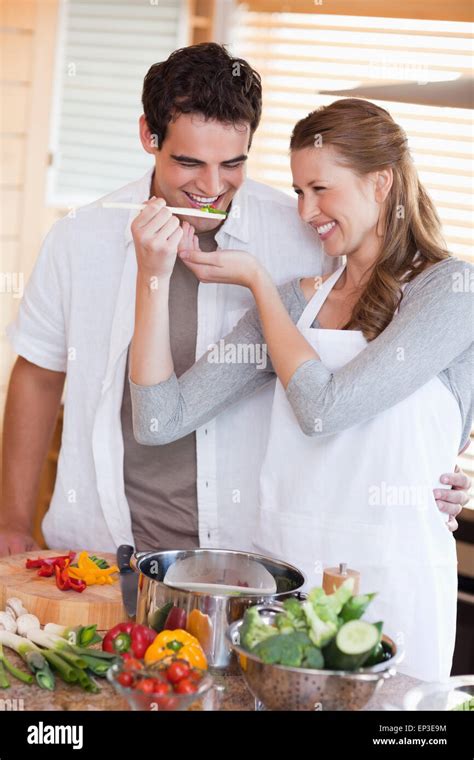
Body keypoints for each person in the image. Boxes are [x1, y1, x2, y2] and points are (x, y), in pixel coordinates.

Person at [129, 99, 473, 681]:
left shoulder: (452, 291)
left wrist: (258, 284)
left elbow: (324, 410)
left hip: (392, 586)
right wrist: (153, 276)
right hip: (285, 585)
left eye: (320, 189)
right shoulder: (296, 303)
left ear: (381, 182)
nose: (306, 211)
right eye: (297, 192)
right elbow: (159, 420)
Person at [1, 43, 338, 555]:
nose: (211, 186)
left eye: (232, 164)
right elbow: (39, 376)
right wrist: (12, 521)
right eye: (189, 162)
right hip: (102, 550)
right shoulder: (80, 237)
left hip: (251, 559)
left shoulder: (302, 238)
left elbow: (345, 381)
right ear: (148, 135)